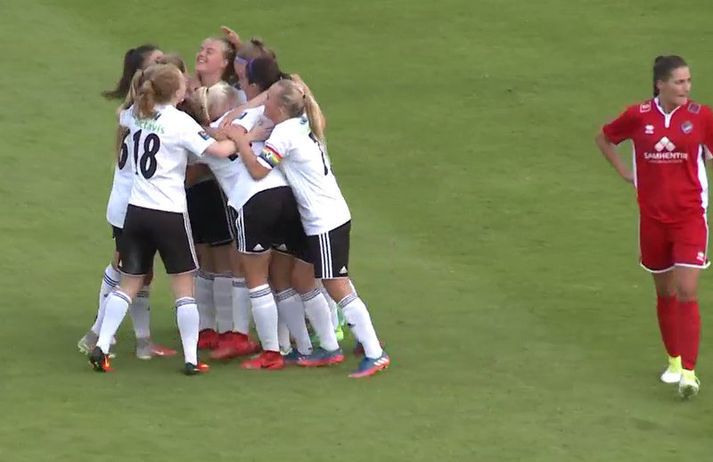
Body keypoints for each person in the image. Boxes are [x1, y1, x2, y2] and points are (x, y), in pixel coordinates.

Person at [225, 79, 390, 378]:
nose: (264, 103)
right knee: (302, 279)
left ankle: (374, 352)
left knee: (337, 285)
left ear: (280, 107)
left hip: (324, 220)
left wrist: (241, 141)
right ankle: (328, 348)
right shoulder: (302, 121)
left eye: (269, 99)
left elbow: (258, 170)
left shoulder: (285, 133)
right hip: (325, 216)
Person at [88, 63, 238, 375]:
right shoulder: (180, 122)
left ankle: (101, 345)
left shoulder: (137, 113)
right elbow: (220, 151)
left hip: (136, 212)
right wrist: (239, 137)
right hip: (169, 214)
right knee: (184, 288)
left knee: (129, 283)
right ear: (178, 93)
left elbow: (120, 114)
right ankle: (191, 359)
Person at [595, 55, 713, 398]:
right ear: (660, 84)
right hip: (652, 219)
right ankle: (673, 362)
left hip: (690, 217)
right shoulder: (639, 115)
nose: (686, 88)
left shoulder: (702, 117)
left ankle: (689, 373)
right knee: (665, 292)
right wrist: (625, 173)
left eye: (688, 81)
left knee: (687, 290)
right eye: (679, 82)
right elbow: (604, 138)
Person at [78, 45, 175, 360]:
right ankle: (97, 334)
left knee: (138, 272)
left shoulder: (131, 112)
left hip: (127, 203)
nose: (164, 63)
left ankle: (141, 341)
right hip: (132, 204)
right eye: (158, 61)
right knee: (127, 269)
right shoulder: (145, 116)